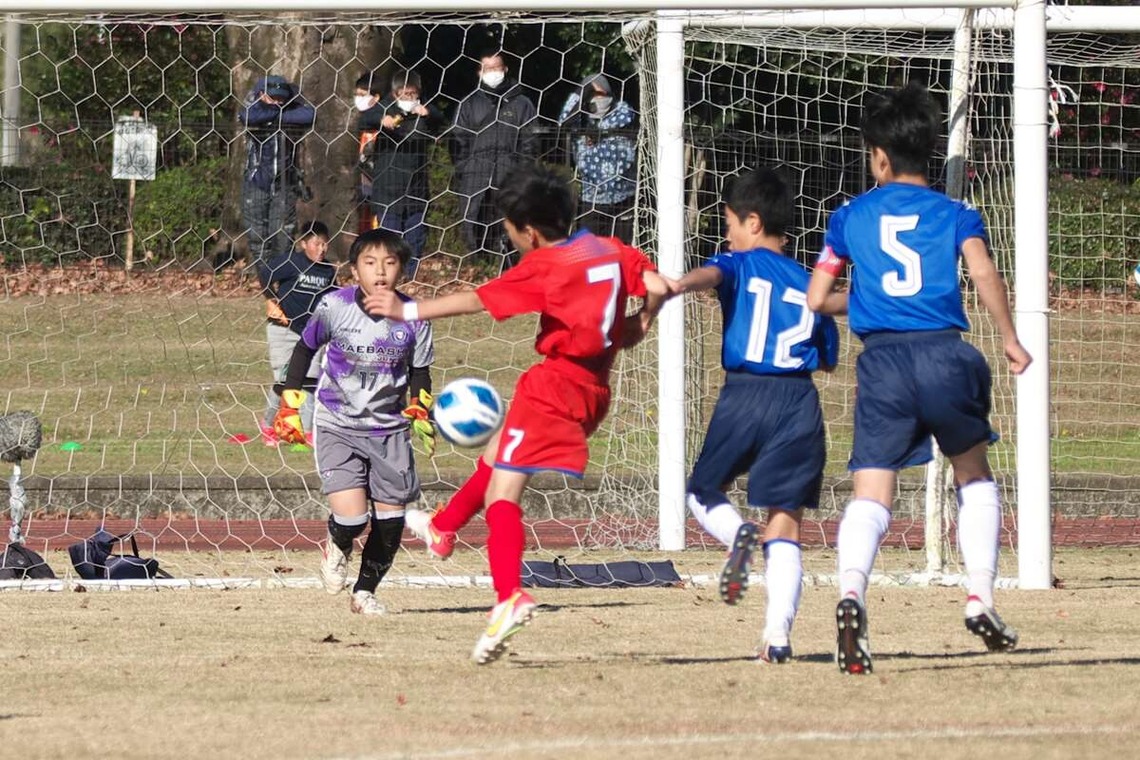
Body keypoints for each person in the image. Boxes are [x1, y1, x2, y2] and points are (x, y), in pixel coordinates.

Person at [362, 164, 669, 664]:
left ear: (527, 231)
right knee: (502, 443)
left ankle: (507, 598)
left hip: (555, 384)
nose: (508, 234)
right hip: (595, 389)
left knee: (506, 489)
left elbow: (476, 300)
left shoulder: (547, 265)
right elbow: (658, 283)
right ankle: (444, 528)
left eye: (507, 227)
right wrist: (643, 322)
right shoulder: (608, 248)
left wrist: (407, 311)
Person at [805, 82, 1033, 675]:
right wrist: (1009, 338)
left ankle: (851, 591)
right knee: (973, 476)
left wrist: (870, 301)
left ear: (878, 155)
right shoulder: (957, 213)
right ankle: (980, 594)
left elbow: (817, 295)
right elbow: (983, 272)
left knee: (872, 492)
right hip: (945, 355)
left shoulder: (848, 216)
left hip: (883, 362)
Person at [671, 168, 840, 664]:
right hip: (798, 403)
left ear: (752, 221)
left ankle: (738, 535)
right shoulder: (815, 284)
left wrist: (680, 283)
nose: (726, 234)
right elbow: (827, 358)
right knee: (785, 524)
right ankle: (778, 636)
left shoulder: (738, 263)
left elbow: (713, 275)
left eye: (728, 223)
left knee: (701, 492)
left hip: (746, 394)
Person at [272, 228, 435, 616]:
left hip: (389, 431)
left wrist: (420, 407)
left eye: (390, 263)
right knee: (352, 517)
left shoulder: (415, 318)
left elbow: (421, 372)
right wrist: (290, 403)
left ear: (402, 269)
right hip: (338, 425)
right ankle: (336, 543)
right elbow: (305, 348)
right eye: (370, 262)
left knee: (391, 523)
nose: (380, 271)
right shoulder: (334, 306)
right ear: (354, 270)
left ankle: (364, 593)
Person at [450, 51, 538, 267]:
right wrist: (466, 166)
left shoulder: (522, 103)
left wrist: (520, 169)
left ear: (505, 69)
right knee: (473, 219)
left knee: (510, 220)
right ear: (480, 72)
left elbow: (531, 139)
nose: (493, 73)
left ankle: (509, 267)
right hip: (476, 173)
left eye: (496, 68)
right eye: (488, 69)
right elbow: (457, 139)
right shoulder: (469, 103)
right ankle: (478, 266)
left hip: (509, 172)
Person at [256, 221, 338, 448]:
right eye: (316, 244)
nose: (321, 249)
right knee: (283, 381)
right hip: (283, 329)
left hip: (310, 334)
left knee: (310, 381)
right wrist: (271, 301)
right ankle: (268, 425)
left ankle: (308, 432)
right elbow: (264, 274)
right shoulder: (292, 262)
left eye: (325, 244)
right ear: (304, 244)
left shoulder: (328, 271)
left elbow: (333, 299)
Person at [359, 69, 445, 277]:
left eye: (412, 94)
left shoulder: (422, 109)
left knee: (415, 235)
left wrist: (429, 113)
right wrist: (382, 119)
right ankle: (390, 276)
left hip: (416, 187)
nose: (409, 98)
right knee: (390, 237)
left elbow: (442, 121)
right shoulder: (384, 108)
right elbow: (364, 118)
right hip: (388, 188)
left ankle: (411, 276)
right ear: (395, 93)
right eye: (405, 94)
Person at [239, 74, 316, 266]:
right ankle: (266, 281)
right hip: (256, 183)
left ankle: (282, 278)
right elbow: (248, 116)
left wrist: (274, 115)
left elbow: (310, 115)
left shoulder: (292, 105)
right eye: (273, 98)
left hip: (285, 184)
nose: (279, 102)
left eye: (282, 98)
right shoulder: (253, 105)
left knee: (283, 236)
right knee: (257, 237)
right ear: (262, 94)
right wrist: (278, 115)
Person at [558, 74, 637, 242]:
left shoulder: (622, 112)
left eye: (601, 94)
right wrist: (583, 90)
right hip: (592, 198)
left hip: (623, 197)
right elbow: (563, 122)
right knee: (591, 252)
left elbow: (618, 122)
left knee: (622, 251)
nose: (597, 99)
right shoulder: (579, 119)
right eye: (591, 94)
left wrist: (597, 132)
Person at [353, 71, 385, 236]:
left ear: (377, 97)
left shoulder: (383, 124)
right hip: (360, 183)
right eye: (356, 94)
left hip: (377, 181)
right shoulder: (356, 124)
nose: (358, 99)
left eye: (362, 95)